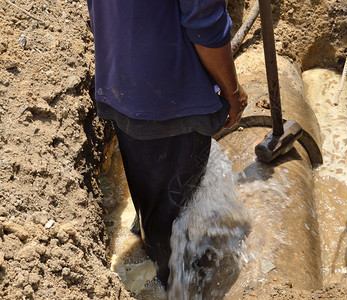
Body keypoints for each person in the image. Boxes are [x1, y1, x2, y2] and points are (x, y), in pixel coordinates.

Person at [86, 0, 248, 288]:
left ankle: (151, 241)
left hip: (120, 82)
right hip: (173, 98)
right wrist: (232, 91)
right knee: (173, 214)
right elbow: (205, 25)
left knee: (150, 192)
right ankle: (174, 281)